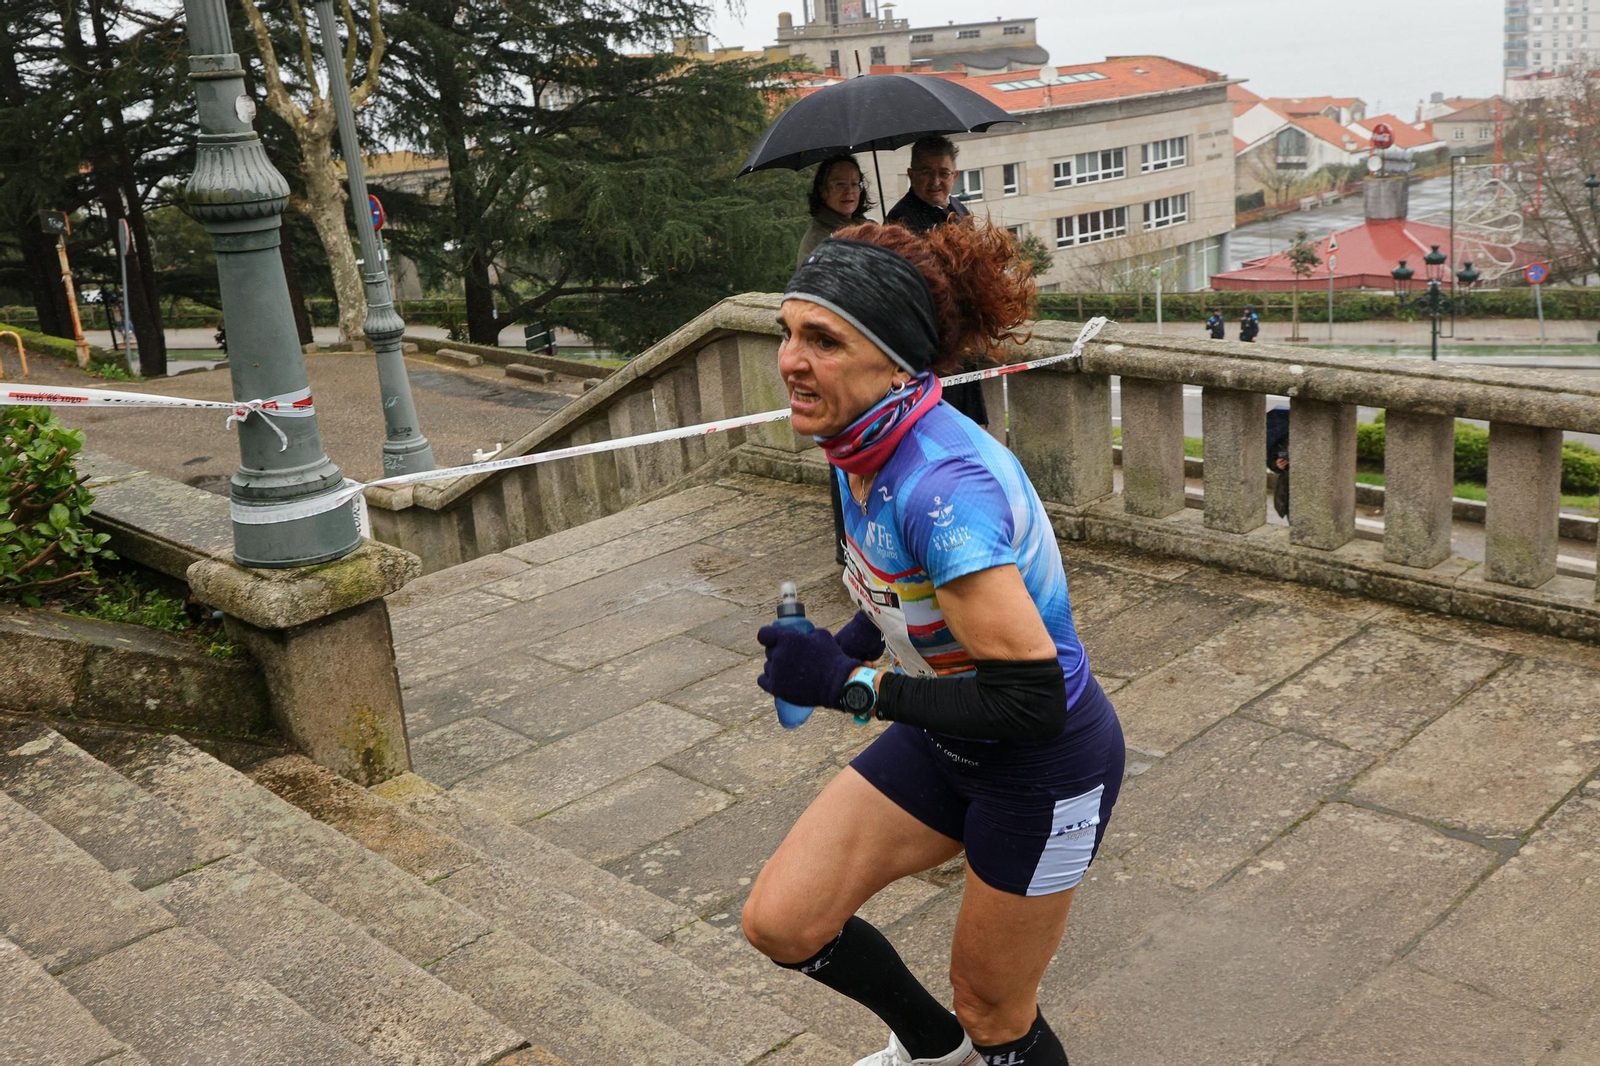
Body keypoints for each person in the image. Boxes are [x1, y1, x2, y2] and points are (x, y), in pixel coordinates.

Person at [744, 220, 1125, 1066]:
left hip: (1044, 767)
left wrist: (850, 685)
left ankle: (970, 1041)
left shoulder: (942, 488)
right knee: (783, 921)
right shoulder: (857, 445)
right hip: (950, 744)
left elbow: (1028, 700)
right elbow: (900, 594)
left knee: (995, 1008)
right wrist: (829, 646)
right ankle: (930, 1049)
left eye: (823, 340)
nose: (791, 361)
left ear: (896, 363)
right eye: (787, 333)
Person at [886, 136, 988, 428]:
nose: (935, 181)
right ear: (910, 175)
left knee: (970, 427)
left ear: (954, 175)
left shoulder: (959, 210)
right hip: (928, 344)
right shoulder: (900, 220)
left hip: (962, 340)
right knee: (938, 428)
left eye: (943, 173)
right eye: (925, 172)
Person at [797, 154, 876, 269]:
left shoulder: (869, 228)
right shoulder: (817, 240)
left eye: (854, 184)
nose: (849, 191)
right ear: (823, 191)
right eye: (840, 185)